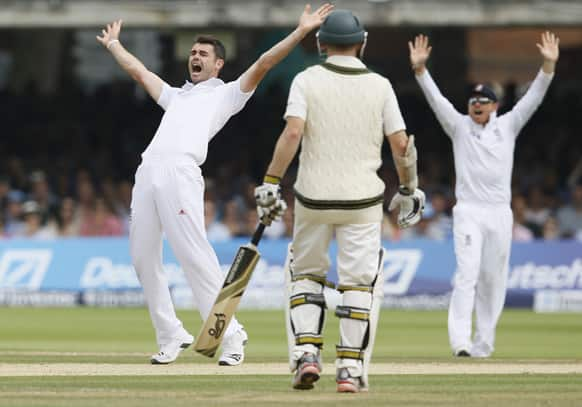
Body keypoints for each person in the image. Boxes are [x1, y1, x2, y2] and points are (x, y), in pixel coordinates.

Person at [97, 3, 334, 366]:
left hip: (181, 173)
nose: (195, 57)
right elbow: (141, 73)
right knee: (143, 259)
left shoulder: (228, 93)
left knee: (195, 258)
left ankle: (233, 334)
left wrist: (301, 31)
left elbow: (266, 62)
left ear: (218, 64)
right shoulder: (177, 96)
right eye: (193, 52)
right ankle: (172, 335)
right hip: (148, 172)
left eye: (203, 54)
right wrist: (114, 45)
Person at [255, 9, 425, 392]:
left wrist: (270, 180)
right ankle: (348, 369)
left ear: (320, 43)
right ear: (362, 43)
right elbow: (401, 144)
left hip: (313, 198)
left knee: (306, 275)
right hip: (362, 201)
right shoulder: (380, 85)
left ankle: (307, 356)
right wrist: (408, 188)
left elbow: (292, 134)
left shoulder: (306, 79)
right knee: (357, 285)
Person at [409, 31, 559, 357]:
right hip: (469, 211)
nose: (477, 105)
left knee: (493, 279)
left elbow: (533, 97)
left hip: (500, 213)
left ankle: (483, 344)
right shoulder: (458, 126)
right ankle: (460, 342)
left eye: (483, 101)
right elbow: (437, 101)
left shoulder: (508, 125)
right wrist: (421, 71)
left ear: (494, 105)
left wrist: (547, 66)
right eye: (473, 101)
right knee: (467, 274)